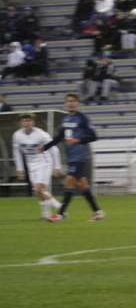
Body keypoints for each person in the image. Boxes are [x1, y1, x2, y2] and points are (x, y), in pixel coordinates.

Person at [39, 93, 104, 222]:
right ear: (65, 103)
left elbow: (94, 136)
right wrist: (45, 147)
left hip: (79, 156)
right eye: (68, 101)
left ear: (78, 103)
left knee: (68, 182)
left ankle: (60, 214)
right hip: (72, 156)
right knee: (82, 185)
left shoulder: (83, 118)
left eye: (73, 101)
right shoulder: (66, 119)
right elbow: (59, 137)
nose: (70, 103)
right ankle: (98, 212)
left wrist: (78, 140)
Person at [13, 113, 63, 219]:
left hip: (44, 162)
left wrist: (57, 166)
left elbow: (53, 148)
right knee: (38, 191)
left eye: (29, 121)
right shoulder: (17, 135)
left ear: (33, 122)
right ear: (21, 122)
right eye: (24, 121)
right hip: (31, 165)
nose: (27, 123)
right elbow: (16, 151)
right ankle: (51, 212)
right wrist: (20, 168)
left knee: (39, 188)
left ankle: (59, 209)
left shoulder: (41, 134)